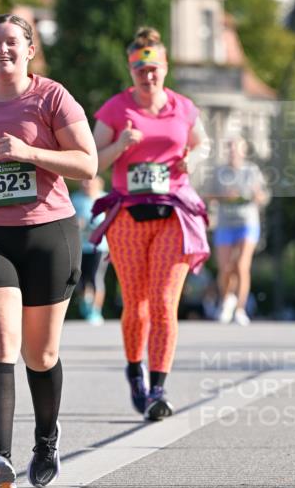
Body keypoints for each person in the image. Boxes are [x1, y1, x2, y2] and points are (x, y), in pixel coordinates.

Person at [0, 14, 96, 488]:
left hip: (47, 233)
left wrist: (30, 153)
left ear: (29, 50)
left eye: (11, 42)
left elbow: (88, 163)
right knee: (0, 343)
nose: (1, 49)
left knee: (41, 352)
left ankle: (46, 441)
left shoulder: (51, 97)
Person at [91, 27, 210, 421]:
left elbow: (202, 142)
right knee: (136, 305)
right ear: (131, 70)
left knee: (162, 302)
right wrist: (121, 144)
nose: (148, 76)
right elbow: (93, 163)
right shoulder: (114, 110)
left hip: (173, 212)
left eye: (154, 68)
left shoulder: (183, 107)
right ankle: (134, 371)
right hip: (128, 216)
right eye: (141, 69)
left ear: (165, 67)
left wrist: (193, 158)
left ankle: (158, 387)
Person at [209, 136, 268, 326]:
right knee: (226, 268)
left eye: (236, 148)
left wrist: (255, 195)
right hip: (225, 224)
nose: (233, 152)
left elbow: (263, 196)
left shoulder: (252, 171)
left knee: (242, 265)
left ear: (243, 151)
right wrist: (224, 196)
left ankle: (241, 309)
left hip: (247, 222)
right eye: (230, 149)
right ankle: (227, 300)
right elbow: (208, 196)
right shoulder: (219, 172)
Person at [70, 176, 108, 324]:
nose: (86, 183)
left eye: (90, 180)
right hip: (80, 246)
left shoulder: (105, 198)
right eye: (84, 180)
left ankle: (96, 311)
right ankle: (86, 303)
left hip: (99, 247)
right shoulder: (75, 199)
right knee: (80, 280)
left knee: (95, 277)